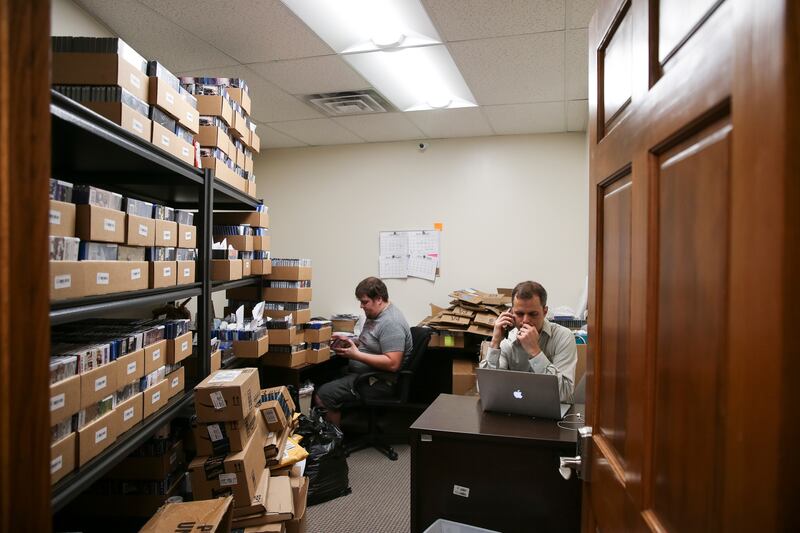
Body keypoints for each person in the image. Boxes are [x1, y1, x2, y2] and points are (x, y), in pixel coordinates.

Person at [315, 277, 412, 426]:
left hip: (379, 382)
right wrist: (350, 341)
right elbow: (370, 343)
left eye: (365, 302)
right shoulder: (374, 314)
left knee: (324, 395)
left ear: (379, 299)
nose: (361, 306)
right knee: (322, 377)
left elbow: (393, 363)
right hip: (364, 374)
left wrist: (356, 355)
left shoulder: (391, 323)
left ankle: (333, 443)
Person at [480, 280, 577, 402]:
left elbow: (563, 394)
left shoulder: (564, 337)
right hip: (515, 411)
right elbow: (486, 390)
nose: (525, 321)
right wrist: (494, 343)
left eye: (533, 314)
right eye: (519, 314)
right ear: (511, 313)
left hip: (552, 415)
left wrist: (535, 352)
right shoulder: (507, 341)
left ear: (545, 312)